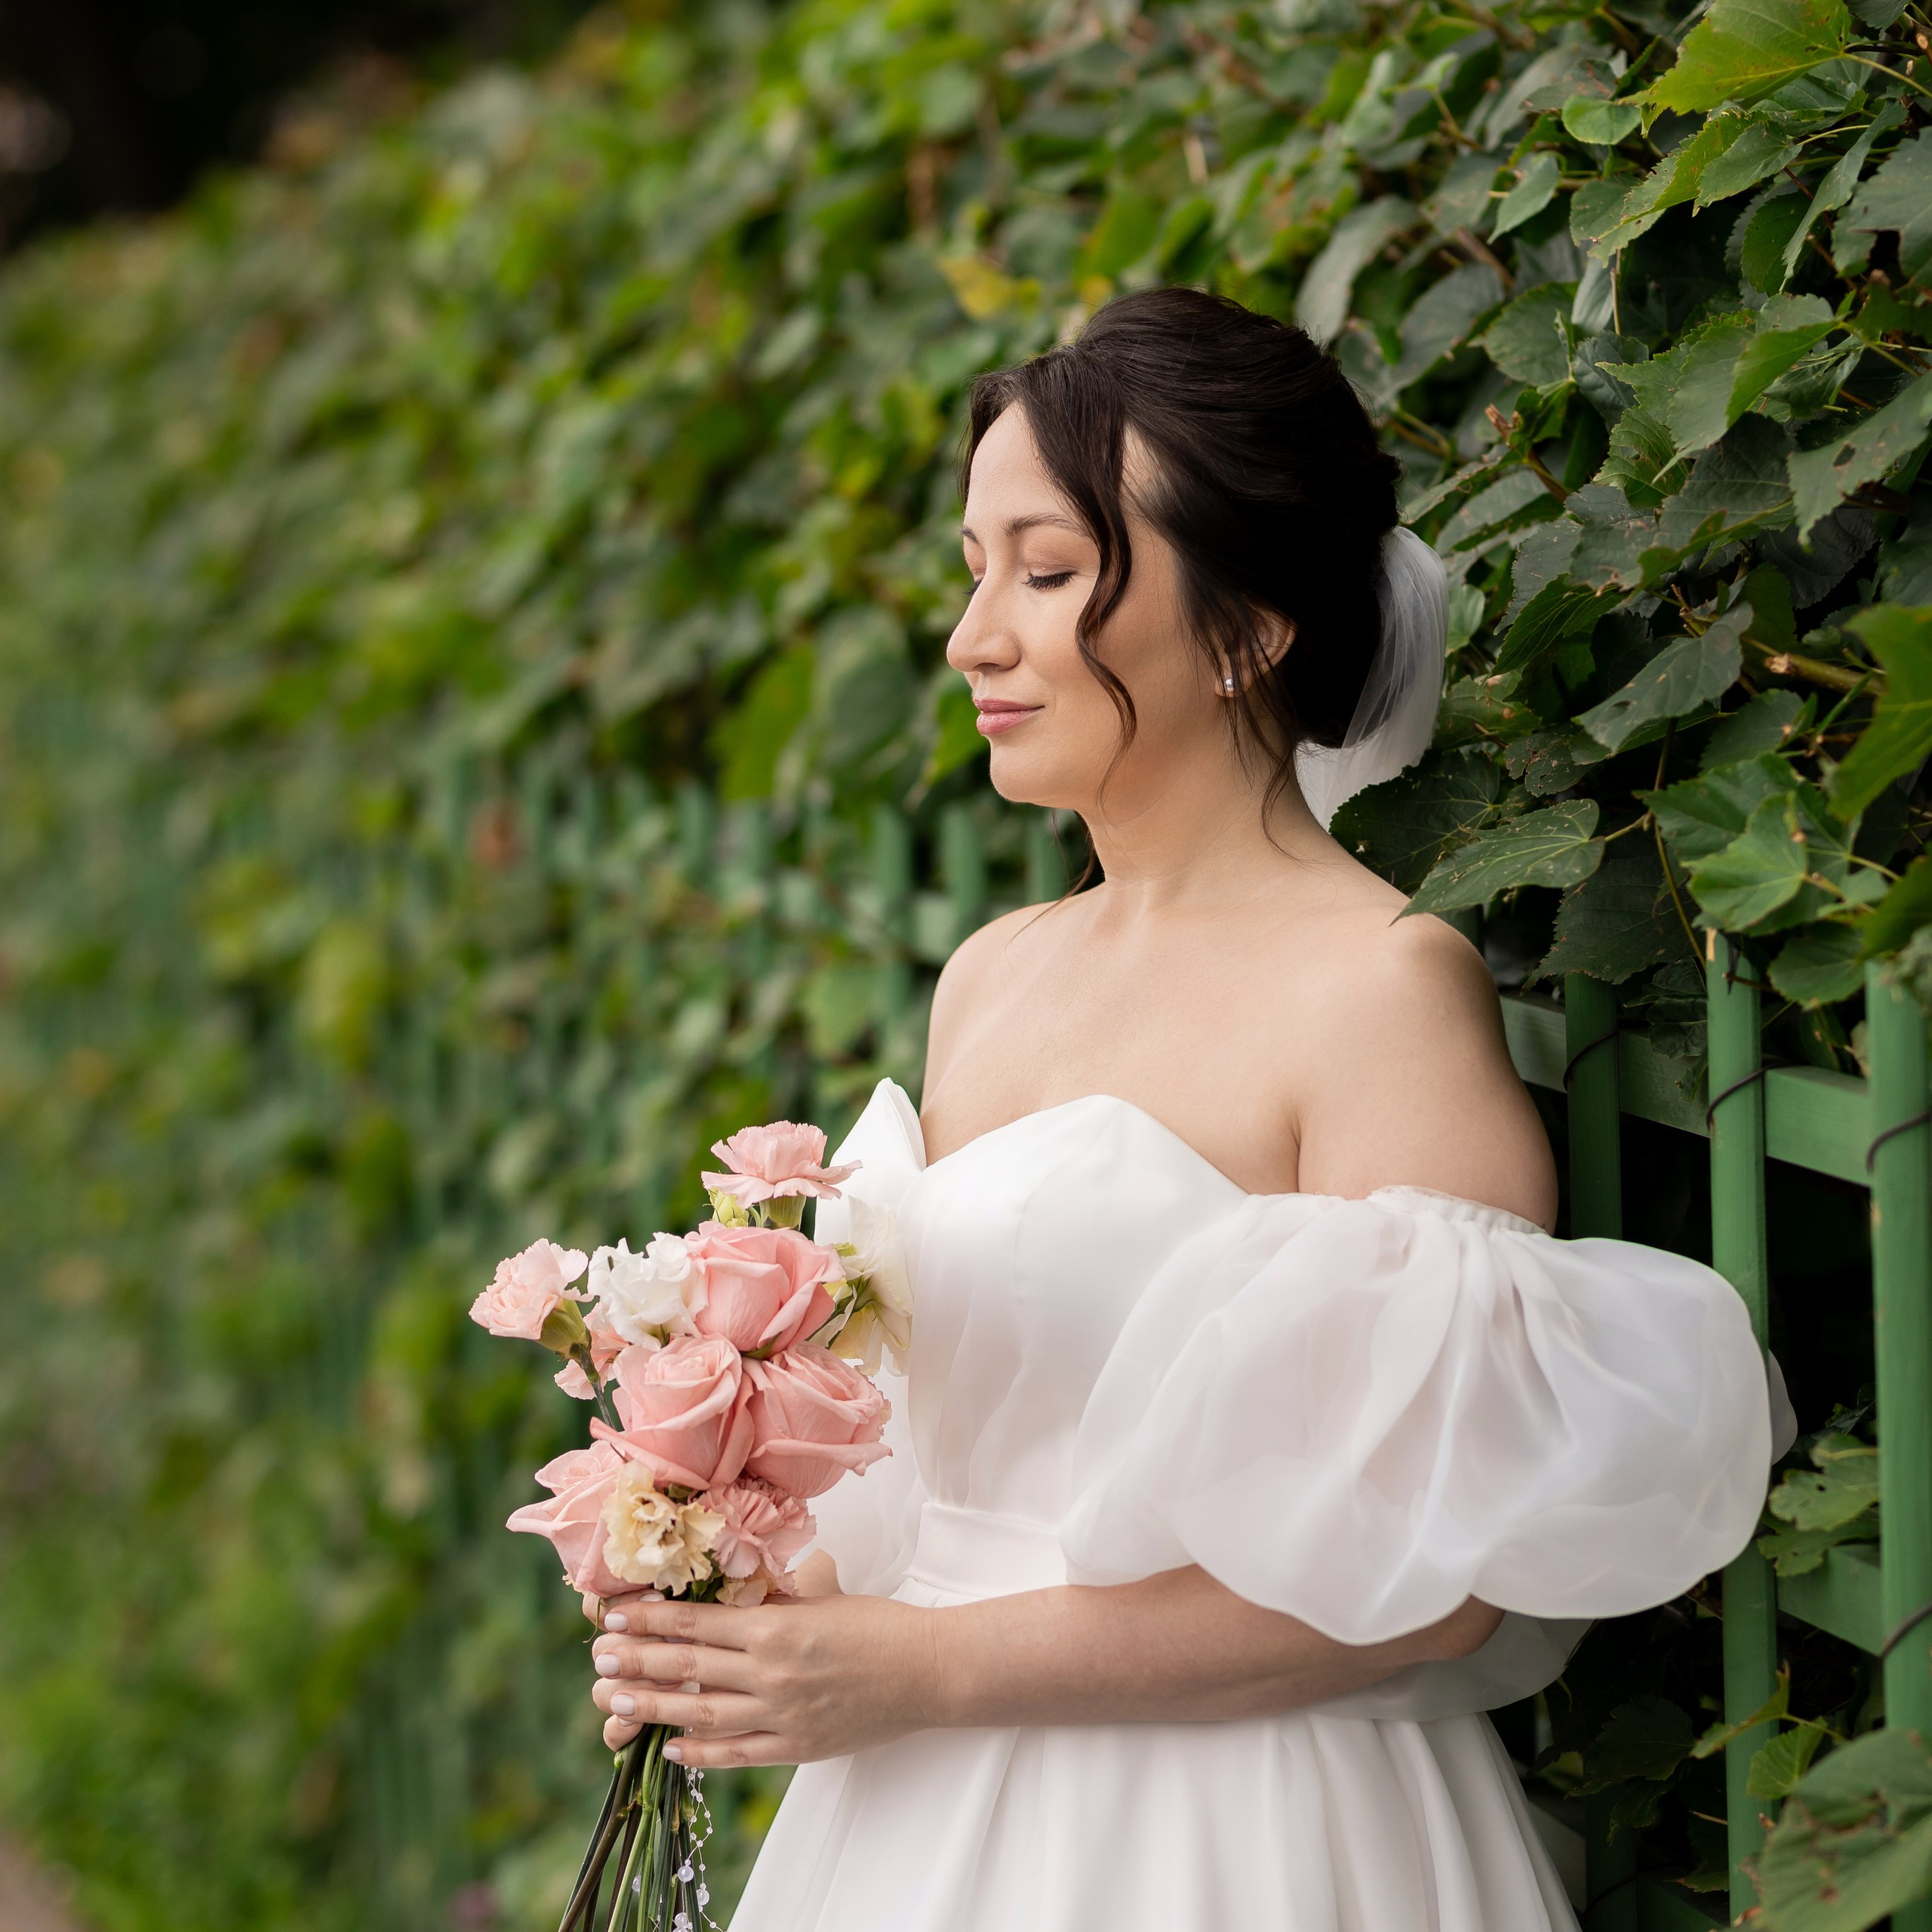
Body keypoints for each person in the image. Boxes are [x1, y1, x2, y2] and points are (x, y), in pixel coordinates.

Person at [581, 288, 1781, 1931]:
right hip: (914, 1812)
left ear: (1247, 623)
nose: (973, 636)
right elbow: (975, 1450)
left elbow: (1419, 1592)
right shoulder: (986, 977)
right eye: (972, 567)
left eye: (1049, 571)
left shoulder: (1378, 988)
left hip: (1233, 1831)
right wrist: (742, 1600)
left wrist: (916, 1666)